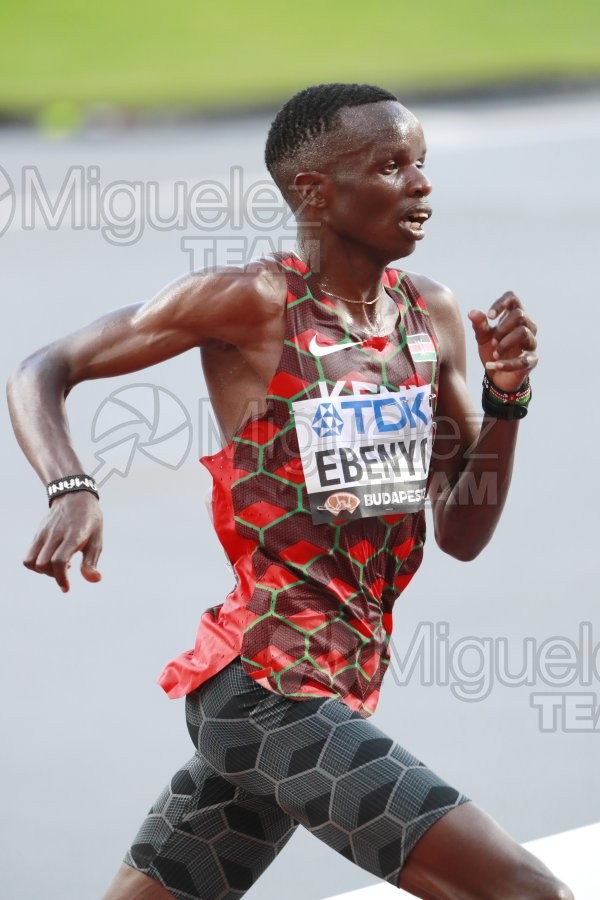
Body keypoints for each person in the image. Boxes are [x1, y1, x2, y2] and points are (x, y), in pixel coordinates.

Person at [7, 83, 572, 900]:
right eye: (391, 165)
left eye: (422, 163)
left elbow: (462, 530)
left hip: (334, 686)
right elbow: (43, 369)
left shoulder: (432, 316)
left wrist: (506, 399)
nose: (421, 185)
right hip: (268, 691)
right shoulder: (252, 303)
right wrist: (71, 486)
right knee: (525, 891)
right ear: (314, 190)